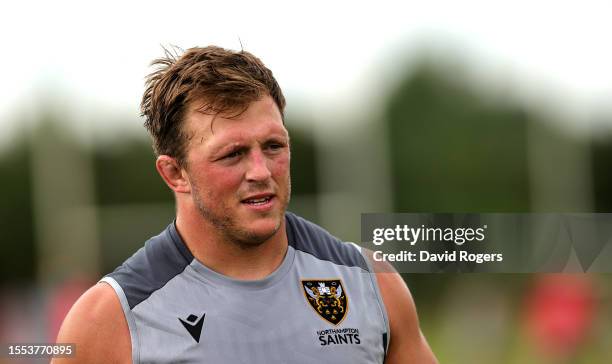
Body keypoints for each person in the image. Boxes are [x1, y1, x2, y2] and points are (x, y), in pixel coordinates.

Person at [54, 46, 437, 363]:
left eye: (273, 146)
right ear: (175, 173)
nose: (261, 171)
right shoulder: (108, 321)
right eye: (233, 154)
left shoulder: (371, 284)